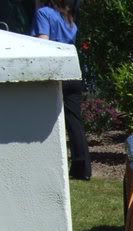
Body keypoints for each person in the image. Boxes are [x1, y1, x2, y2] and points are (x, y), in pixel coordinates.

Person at [31, 0, 91, 180]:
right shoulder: (68, 18)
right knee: (75, 122)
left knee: (46, 120)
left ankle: (45, 166)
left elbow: (43, 42)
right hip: (72, 71)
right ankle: (82, 169)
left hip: (55, 72)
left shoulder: (44, 14)